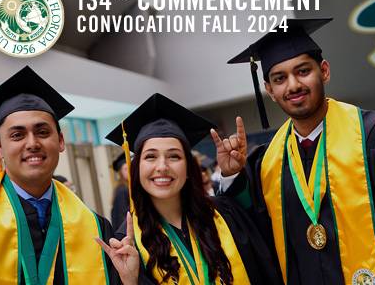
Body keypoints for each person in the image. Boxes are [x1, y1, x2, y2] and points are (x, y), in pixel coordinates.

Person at [212, 18, 375, 284]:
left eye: (303, 71)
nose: (293, 86)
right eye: (280, 79)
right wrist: (233, 177)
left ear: (324, 71)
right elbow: (255, 238)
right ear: (269, 90)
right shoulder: (269, 163)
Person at [0, 66, 137, 284]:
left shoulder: (94, 226)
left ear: (60, 141)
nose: (32, 143)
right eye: (17, 135)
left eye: (42, 132)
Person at [105, 93, 282, 284]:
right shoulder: (128, 244)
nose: (162, 166)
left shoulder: (224, 214)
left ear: (188, 168)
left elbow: (266, 253)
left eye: (174, 156)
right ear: (137, 168)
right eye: (150, 157)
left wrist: (232, 174)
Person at [110, 153, 130, 232]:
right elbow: (121, 217)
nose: (129, 170)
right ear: (121, 173)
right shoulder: (122, 190)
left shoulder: (131, 187)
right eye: (125, 169)